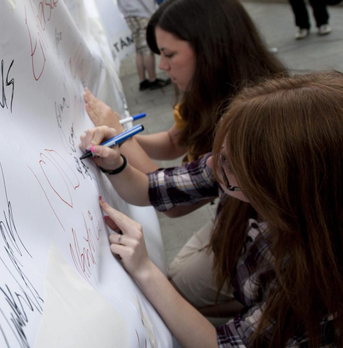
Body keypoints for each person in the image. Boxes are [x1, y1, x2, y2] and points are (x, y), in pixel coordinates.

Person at [83, 71, 343, 348]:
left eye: (230, 163)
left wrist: (144, 270)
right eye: (221, 151)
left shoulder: (328, 286)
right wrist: (116, 164)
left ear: (290, 190)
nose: (214, 164)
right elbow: (155, 189)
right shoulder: (243, 161)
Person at [83, 0, 285, 315]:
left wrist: (120, 139)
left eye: (170, 55)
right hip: (231, 221)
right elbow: (174, 146)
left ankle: (269, 308)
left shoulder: (252, 120)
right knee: (177, 280)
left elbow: (174, 200)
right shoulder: (206, 96)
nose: (162, 66)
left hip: (260, 236)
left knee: (179, 294)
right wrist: (124, 144)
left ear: (211, 48)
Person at [117, 0, 171, 90]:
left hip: (128, 14)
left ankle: (143, 80)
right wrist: (153, 13)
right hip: (142, 12)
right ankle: (152, 79)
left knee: (139, 49)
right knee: (147, 48)